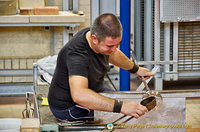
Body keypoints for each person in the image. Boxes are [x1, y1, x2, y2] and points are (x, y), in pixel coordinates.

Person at [48, 13, 154, 122]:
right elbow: (79, 95)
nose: (114, 49)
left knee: (124, 104)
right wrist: (122, 107)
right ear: (94, 38)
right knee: (122, 118)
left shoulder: (97, 36)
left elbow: (113, 54)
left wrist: (136, 69)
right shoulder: (77, 55)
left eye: (117, 45)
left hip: (93, 88)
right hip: (70, 107)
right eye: (110, 46)